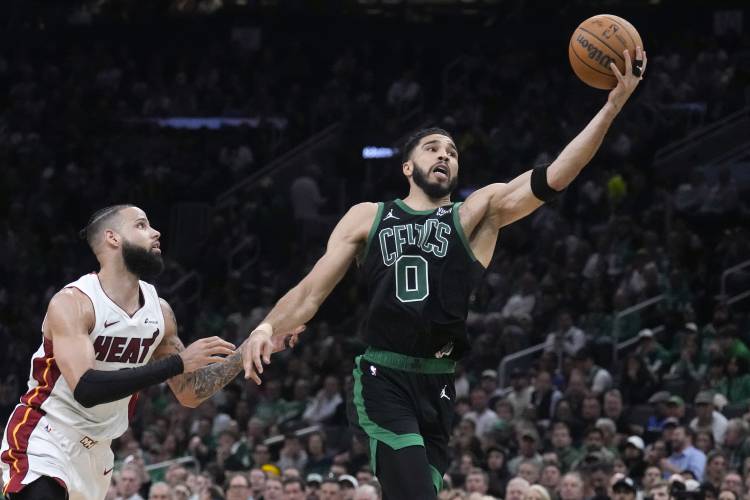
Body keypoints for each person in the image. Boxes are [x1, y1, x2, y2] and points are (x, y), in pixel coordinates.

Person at [242, 49, 647, 500]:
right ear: (408, 167)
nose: (445, 155)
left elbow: (555, 176)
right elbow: (311, 290)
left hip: (439, 383)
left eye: (452, 152)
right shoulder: (368, 216)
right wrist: (266, 326)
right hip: (384, 376)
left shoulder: (478, 213)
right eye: (432, 148)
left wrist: (611, 106)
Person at [0, 204, 281, 500]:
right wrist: (176, 364)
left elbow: (190, 393)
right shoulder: (74, 303)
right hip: (46, 436)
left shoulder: (160, 312)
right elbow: (86, 388)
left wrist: (246, 350)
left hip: (98, 454)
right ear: (113, 238)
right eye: (142, 225)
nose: (156, 232)